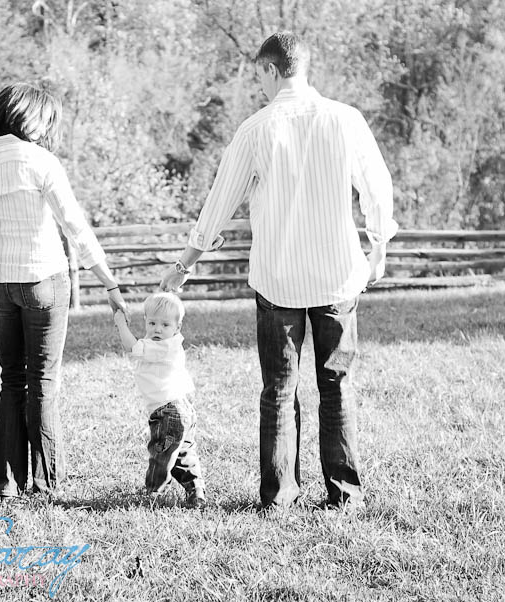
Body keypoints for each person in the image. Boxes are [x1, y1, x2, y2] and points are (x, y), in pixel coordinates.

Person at [160, 32, 398, 511]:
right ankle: (346, 495)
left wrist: (186, 261)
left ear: (271, 70)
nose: (259, 87)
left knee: (278, 391)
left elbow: (219, 202)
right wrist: (379, 245)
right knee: (336, 386)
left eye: (258, 77)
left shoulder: (256, 129)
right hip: (337, 275)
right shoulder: (345, 119)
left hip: (278, 280)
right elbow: (377, 186)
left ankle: (279, 496)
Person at [0, 83, 127, 499]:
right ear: (28, 118)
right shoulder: (39, 161)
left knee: (11, 379)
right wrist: (110, 281)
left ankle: (7, 483)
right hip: (43, 280)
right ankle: (46, 482)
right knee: (44, 381)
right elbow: (75, 227)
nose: (46, 131)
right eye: (45, 122)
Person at [112, 292, 206, 508]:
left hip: (168, 414)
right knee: (183, 453)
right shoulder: (168, 344)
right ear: (145, 321)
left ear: (177, 328)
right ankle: (196, 490)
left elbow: (131, 347)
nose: (157, 329)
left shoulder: (164, 347)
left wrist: (120, 324)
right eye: (152, 322)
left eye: (165, 324)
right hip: (183, 409)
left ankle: (153, 494)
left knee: (160, 454)